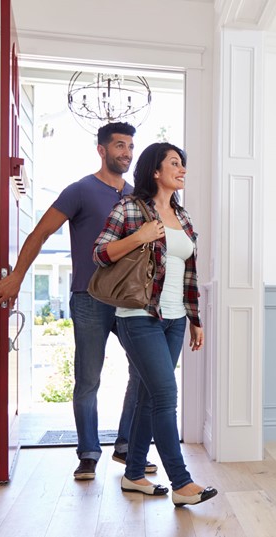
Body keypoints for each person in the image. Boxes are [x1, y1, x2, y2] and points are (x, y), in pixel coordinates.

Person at [0, 122, 157, 480]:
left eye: (130, 146)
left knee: (144, 373)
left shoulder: (136, 197)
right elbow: (39, 233)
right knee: (88, 379)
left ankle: (127, 446)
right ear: (102, 149)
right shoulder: (80, 190)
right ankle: (88, 452)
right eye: (119, 146)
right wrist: (17, 276)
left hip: (131, 302)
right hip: (89, 297)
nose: (126, 153)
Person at [93, 142, 217, 507]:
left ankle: (133, 475)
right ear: (155, 171)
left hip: (176, 319)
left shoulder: (184, 216)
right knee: (165, 396)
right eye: (175, 164)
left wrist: (195, 320)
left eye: (184, 164)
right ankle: (181, 483)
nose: (182, 170)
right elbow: (99, 253)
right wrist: (139, 236)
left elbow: (190, 273)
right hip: (139, 317)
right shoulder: (130, 208)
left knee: (149, 397)